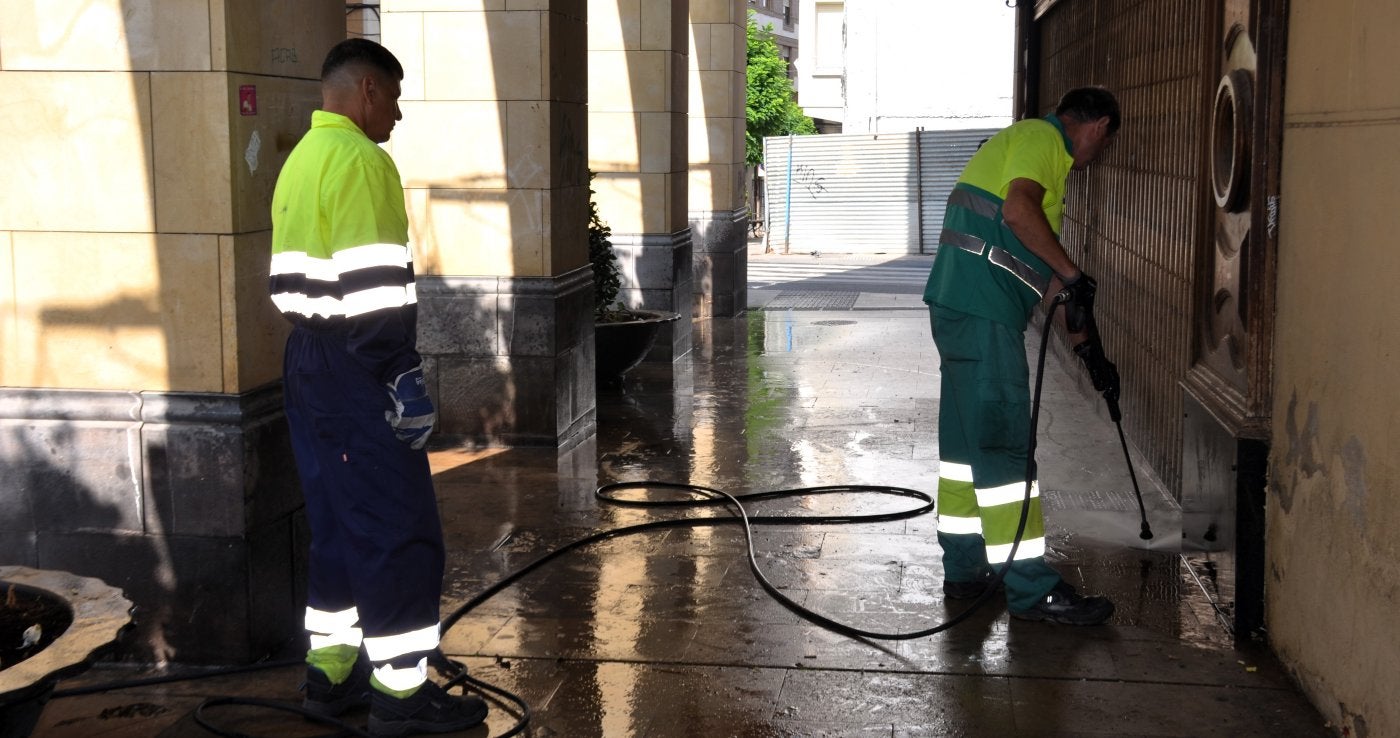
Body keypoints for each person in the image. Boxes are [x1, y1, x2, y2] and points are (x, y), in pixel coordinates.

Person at [269, 38, 488, 734]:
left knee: (336, 525)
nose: (396, 114)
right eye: (393, 97)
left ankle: (330, 678)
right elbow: (373, 288)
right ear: (367, 90)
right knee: (398, 528)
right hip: (356, 367)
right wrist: (400, 374)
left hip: (308, 358)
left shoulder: (302, 160)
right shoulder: (363, 162)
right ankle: (401, 695)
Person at [922, 86, 1123, 626]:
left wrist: (1090, 355)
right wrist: (1079, 275)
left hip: (962, 309)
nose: (1091, 159)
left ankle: (965, 569)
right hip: (983, 314)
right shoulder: (1042, 139)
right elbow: (1017, 213)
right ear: (1098, 127)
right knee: (1007, 450)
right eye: (1100, 146)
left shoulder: (1029, 157)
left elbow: (1055, 282)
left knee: (966, 451)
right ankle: (1033, 591)